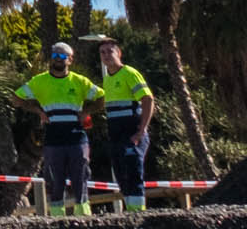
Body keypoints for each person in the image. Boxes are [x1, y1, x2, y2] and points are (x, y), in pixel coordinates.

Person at [18, 40, 100, 214]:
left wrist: (87, 111)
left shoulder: (80, 81)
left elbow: (102, 98)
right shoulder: (39, 81)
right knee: (55, 178)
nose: (58, 59)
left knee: (80, 175)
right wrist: (37, 111)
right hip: (53, 137)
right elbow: (16, 98)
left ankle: (84, 214)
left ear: (70, 59)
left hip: (76, 135)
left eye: (62, 56)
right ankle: (57, 217)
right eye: (55, 55)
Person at [89, 44, 158, 212]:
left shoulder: (129, 73)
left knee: (132, 165)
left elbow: (148, 99)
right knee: (120, 171)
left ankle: (138, 211)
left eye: (109, 51)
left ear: (119, 53)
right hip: (115, 133)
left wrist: (141, 131)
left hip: (132, 130)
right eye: (102, 52)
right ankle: (130, 210)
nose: (106, 55)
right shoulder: (108, 78)